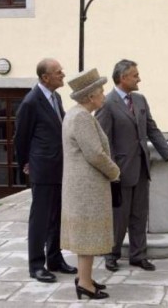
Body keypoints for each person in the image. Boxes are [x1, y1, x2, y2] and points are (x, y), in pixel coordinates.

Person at [96, 59, 168, 272]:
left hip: (142, 169)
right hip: (119, 172)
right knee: (119, 218)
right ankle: (111, 255)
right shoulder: (106, 104)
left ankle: (138, 256)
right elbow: (103, 141)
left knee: (139, 215)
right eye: (135, 75)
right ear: (123, 78)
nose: (139, 79)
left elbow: (152, 129)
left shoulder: (141, 100)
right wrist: (112, 170)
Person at [14, 58, 77, 283]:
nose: (63, 74)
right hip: (42, 169)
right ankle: (36, 265)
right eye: (58, 72)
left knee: (57, 218)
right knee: (40, 219)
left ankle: (55, 259)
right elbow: (20, 138)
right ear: (45, 77)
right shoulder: (31, 102)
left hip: (60, 168)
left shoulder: (56, 97)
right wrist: (26, 164)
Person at [61, 68, 120, 300]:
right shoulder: (82, 117)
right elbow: (95, 154)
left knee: (87, 236)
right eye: (101, 92)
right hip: (87, 189)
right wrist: (115, 171)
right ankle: (84, 284)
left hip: (82, 187)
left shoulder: (75, 114)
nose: (104, 95)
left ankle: (84, 278)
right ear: (90, 97)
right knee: (88, 237)